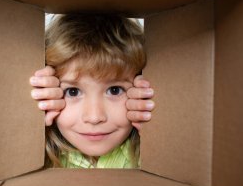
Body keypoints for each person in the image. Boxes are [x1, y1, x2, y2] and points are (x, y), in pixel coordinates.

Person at [30, 14, 154, 168]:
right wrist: (30, 126)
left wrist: (158, 136)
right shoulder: (39, 157)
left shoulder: (150, 156)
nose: (94, 117)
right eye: (73, 92)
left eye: (115, 90)